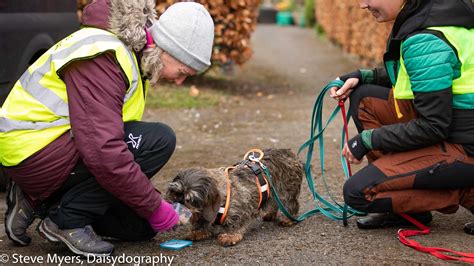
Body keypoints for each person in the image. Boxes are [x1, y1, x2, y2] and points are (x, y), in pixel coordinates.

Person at [0, 0, 214, 256]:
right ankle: (65, 221)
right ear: (165, 49)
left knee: (141, 227)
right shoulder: (105, 56)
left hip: (55, 146)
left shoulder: (134, 55)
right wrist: (154, 206)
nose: (179, 81)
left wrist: (151, 208)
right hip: (32, 151)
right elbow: (104, 152)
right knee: (159, 140)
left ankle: (41, 199)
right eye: (182, 71)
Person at [329, 0, 474, 232]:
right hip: (456, 132)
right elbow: (419, 75)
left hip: (465, 148)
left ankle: (466, 191)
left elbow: (433, 126)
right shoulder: (439, 16)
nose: (362, 5)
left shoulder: (425, 38)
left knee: (358, 193)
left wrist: (368, 140)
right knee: (365, 98)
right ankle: (407, 209)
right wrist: (363, 76)